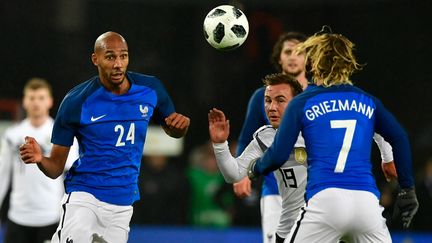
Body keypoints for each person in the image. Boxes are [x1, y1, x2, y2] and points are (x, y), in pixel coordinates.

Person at [248, 27, 419, 242]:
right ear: (349, 62)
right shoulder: (367, 100)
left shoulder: (302, 102)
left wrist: (256, 168)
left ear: (314, 62)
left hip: (325, 202)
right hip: (366, 205)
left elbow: (279, 154)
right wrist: (407, 189)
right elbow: (399, 137)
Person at [19, 31, 190, 243]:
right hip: (85, 197)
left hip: (123, 203)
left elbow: (172, 129)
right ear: (96, 59)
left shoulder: (150, 89)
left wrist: (180, 128)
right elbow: (55, 167)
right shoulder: (76, 101)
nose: (118, 64)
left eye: (123, 56)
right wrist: (40, 159)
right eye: (110, 57)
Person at [209, 73, 306, 241]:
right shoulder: (266, 136)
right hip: (288, 223)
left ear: (296, 104)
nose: (271, 107)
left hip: (321, 217)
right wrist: (220, 145)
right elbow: (234, 174)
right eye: (268, 100)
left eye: (280, 100)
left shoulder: (315, 131)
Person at [0, 78, 78, 243]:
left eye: (41, 98)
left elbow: (74, 173)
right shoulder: (12, 135)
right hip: (18, 216)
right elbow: (3, 174)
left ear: (50, 101)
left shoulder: (63, 135)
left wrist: (75, 213)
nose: (36, 103)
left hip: (51, 216)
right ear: (24, 101)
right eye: (32, 98)